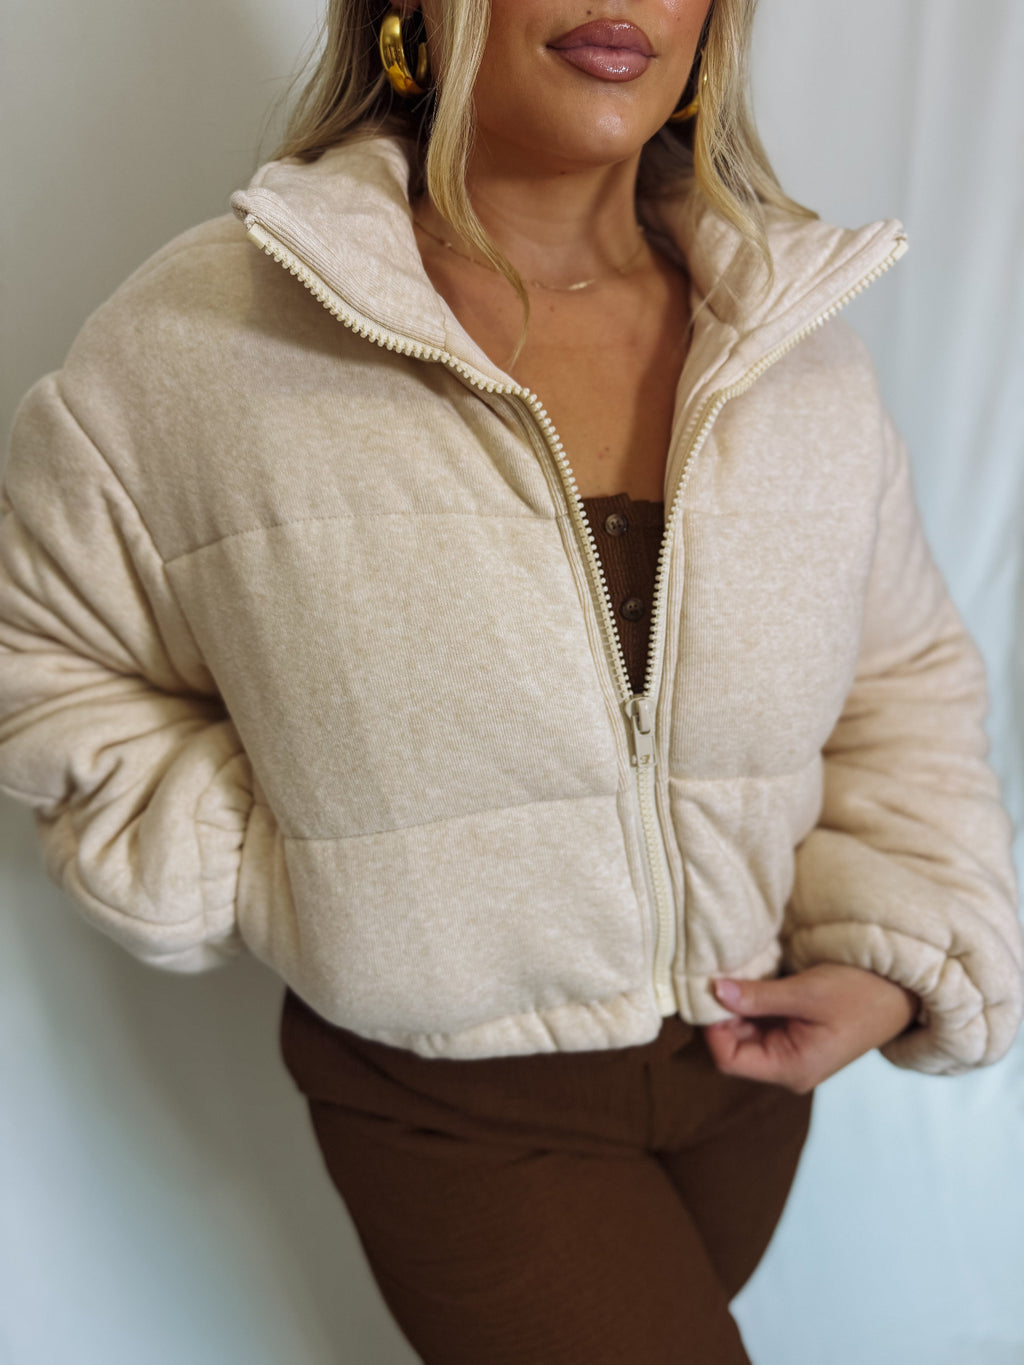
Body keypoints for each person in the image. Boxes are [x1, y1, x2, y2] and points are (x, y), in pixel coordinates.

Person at [0, 0, 1021, 1360]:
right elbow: (43, 655)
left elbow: (902, 682)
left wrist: (897, 951)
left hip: (748, 1072)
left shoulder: (786, 336)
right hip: (452, 1101)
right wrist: (283, 864)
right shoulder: (205, 343)